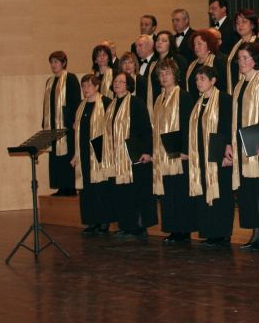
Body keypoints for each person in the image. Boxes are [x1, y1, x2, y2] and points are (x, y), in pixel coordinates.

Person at [224, 42, 259, 250]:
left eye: (245, 58)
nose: (241, 62)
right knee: (248, 190)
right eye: (239, 58)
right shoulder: (239, 86)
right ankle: (255, 231)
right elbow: (234, 119)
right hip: (242, 143)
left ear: (255, 60)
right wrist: (230, 143)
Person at [104, 72, 157, 240]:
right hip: (116, 157)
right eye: (116, 81)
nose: (117, 84)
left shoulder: (136, 103)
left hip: (134, 156)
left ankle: (137, 227)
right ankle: (125, 225)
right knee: (121, 193)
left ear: (128, 85)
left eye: (121, 81)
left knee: (135, 193)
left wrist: (147, 151)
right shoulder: (111, 105)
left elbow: (146, 129)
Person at [188, 66, 234, 247]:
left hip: (218, 152)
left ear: (213, 80)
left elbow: (228, 125)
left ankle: (222, 233)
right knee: (205, 193)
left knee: (221, 193)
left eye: (202, 78)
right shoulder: (198, 102)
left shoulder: (223, 99)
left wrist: (226, 149)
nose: (199, 82)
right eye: (197, 79)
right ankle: (209, 231)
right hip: (201, 154)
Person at [152, 58, 196, 243]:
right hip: (163, 152)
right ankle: (172, 228)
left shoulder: (183, 96)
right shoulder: (159, 99)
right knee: (168, 192)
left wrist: (185, 150)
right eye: (161, 74)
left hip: (179, 152)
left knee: (180, 191)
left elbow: (189, 125)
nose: (164, 77)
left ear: (175, 75)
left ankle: (183, 230)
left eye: (167, 73)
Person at [71, 74, 114, 234]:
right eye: (83, 86)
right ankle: (91, 221)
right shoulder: (81, 106)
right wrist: (76, 154)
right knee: (87, 188)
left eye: (89, 85)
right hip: (83, 152)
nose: (85, 89)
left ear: (96, 87)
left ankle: (104, 221)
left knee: (101, 187)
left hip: (100, 151)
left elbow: (111, 129)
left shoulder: (106, 103)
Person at [42, 51, 81, 196]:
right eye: (51, 62)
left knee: (67, 156)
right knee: (56, 159)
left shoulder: (70, 79)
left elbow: (76, 101)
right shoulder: (49, 82)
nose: (53, 65)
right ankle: (61, 186)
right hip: (54, 127)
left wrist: (75, 121)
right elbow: (47, 105)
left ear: (63, 63)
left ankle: (70, 187)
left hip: (67, 126)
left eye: (56, 62)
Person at [225, 9, 259, 95]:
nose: (240, 25)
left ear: (253, 25)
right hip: (236, 92)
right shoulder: (235, 47)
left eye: (244, 21)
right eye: (237, 22)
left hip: (257, 93)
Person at [184, 29, 227, 97]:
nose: (196, 47)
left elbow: (223, 86)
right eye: (194, 44)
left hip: (214, 103)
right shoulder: (191, 65)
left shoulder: (218, 62)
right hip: (195, 105)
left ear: (209, 44)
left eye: (199, 43)